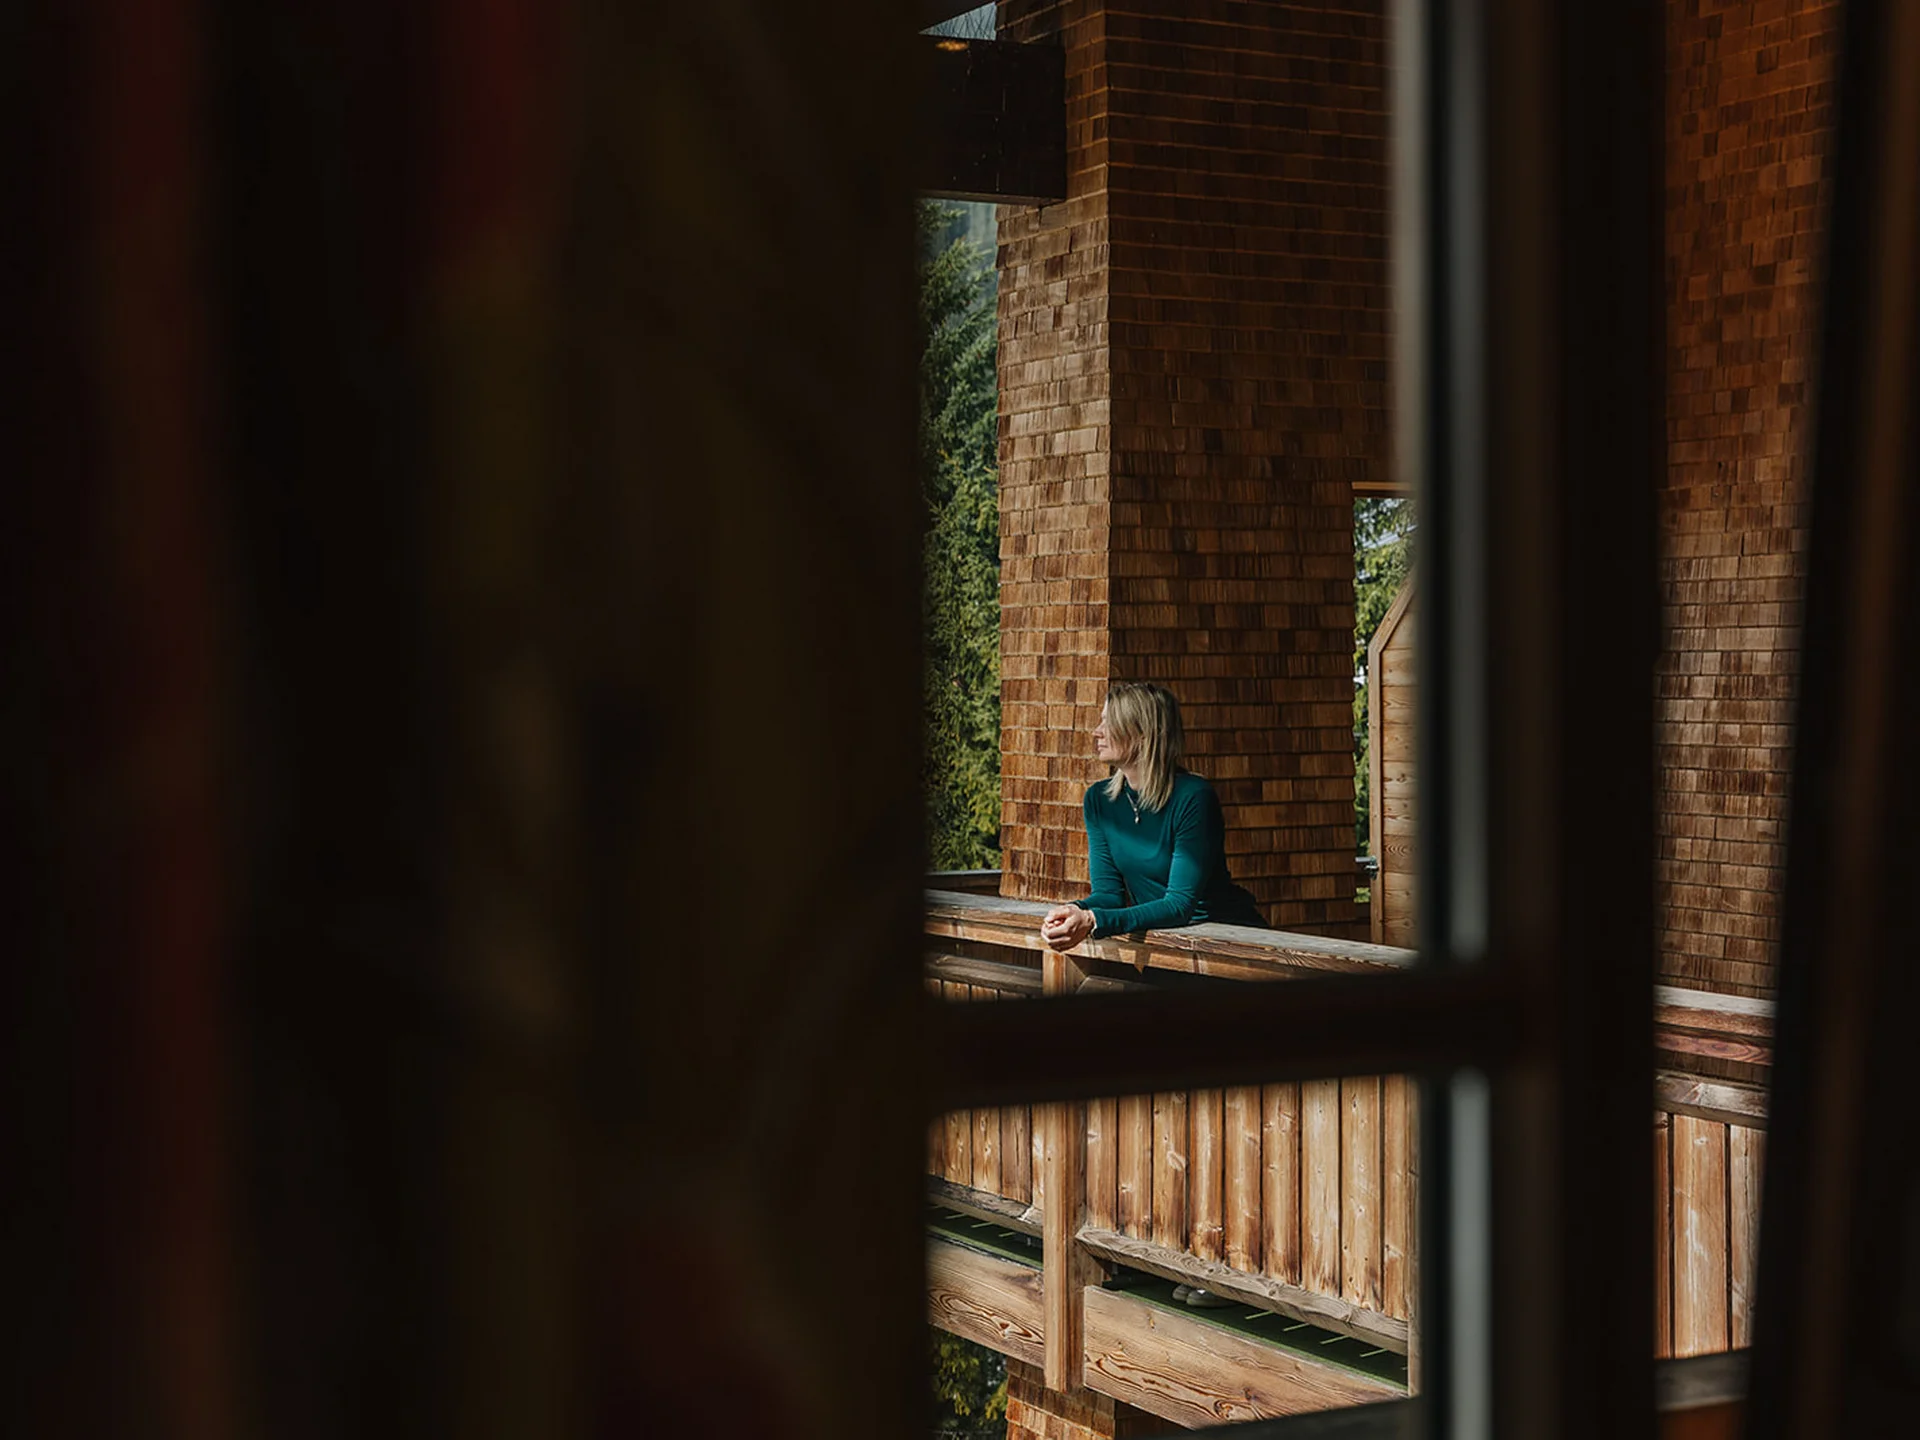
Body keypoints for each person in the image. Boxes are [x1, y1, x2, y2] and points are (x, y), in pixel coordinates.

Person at [1040, 681, 1267, 953]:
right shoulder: (1099, 800)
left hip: (1225, 944)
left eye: (1110, 722)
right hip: (1162, 942)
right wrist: (1073, 910)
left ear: (1143, 734)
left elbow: (1179, 905)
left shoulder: (1194, 797)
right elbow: (1109, 896)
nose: (1097, 731)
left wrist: (1093, 920)